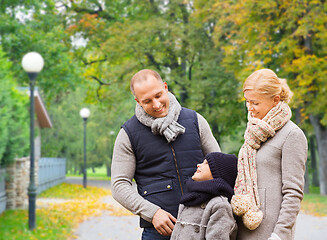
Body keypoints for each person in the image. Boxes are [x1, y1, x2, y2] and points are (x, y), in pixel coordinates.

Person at [111, 69, 221, 239]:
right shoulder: (128, 134)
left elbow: (219, 166)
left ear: (165, 87)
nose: (156, 105)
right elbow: (119, 185)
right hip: (159, 232)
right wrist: (152, 213)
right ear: (137, 101)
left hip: (204, 226)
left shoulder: (195, 120)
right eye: (147, 101)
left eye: (158, 95)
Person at [231, 69, 308, 240]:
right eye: (247, 102)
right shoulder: (253, 132)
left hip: (269, 234)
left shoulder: (292, 135)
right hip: (244, 228)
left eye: (255, 103)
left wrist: (279, 235)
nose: (250, 108)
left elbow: (293, 192)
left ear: (275, 100)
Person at [171, 152, 238, 240]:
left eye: (206, 163)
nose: (199, 165)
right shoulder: (188, 200)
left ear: (217, 173)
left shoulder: (219, 205)